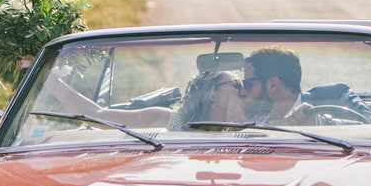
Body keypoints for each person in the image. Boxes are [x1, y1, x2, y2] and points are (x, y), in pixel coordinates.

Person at [38, 67, 244, 130]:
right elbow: (96, 116)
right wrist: (47, 79)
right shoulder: (170, 121)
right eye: (236, 85)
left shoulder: (252, 131)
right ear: (212, 93)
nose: (242, 90)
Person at [241, 47, 315, 126]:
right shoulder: (259, 124)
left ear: (273, 85)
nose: (242, 91)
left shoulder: (320, 113)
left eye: (247, 85)